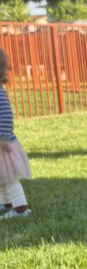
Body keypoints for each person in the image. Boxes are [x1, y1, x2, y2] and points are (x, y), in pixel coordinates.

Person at [0, 49, 32, 221]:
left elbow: (5, 115)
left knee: (10, 179)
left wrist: (3, 137)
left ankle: (21, 209)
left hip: (3, 144)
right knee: (1, 178)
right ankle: (6, 204)